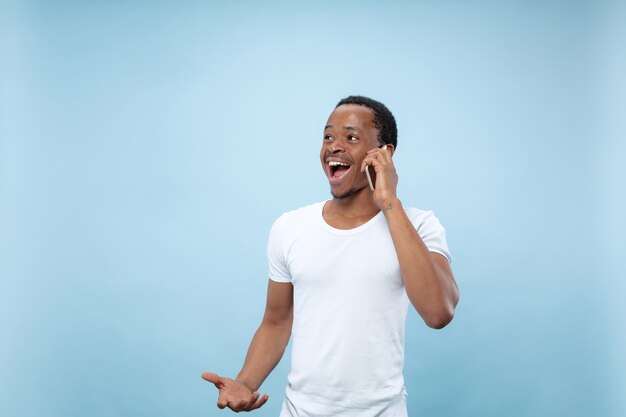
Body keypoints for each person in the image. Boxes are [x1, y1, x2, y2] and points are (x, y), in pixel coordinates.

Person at [202, 96, 459, 416]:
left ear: (384, 153)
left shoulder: (418, 224)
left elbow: (439, 312)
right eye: (328, 137)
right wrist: (245, 382)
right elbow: (276, 322)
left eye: (351, 137)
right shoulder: (290, 227)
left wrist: (390, 203)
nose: (334, 147)